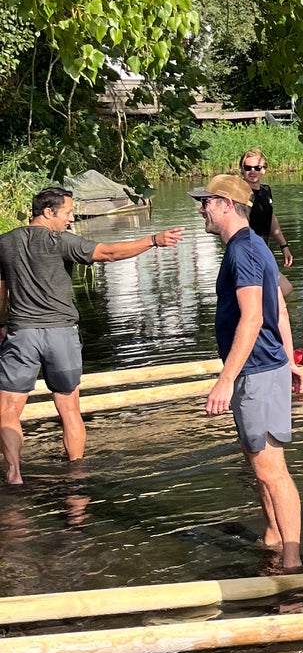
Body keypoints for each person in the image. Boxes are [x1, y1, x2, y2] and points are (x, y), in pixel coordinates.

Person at [0, 184, 185, 484]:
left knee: (7, 410)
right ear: (48, 212)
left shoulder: (5, 243)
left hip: (22, 334)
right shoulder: (60, 241)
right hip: (61, 335)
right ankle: (76, 477)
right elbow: (109, 254)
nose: (71, 219)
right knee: (69, 407)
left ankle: (14, 473)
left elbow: (1, 291)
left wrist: (1, 324)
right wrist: (153, 240)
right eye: (68, 213)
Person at [193, 173, 303, 566]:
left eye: (206, 202)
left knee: (272, 470)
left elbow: (254, 318)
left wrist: (224, 382)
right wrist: (289, 359)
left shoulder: (244, 251)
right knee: (258, 463)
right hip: (261, 369)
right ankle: (273, 539)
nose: (201, 209)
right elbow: (281, 306)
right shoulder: (253, 246)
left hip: (256, 372)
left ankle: (292, 561)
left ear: (226, 205)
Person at [238, 149, 293, 269]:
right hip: (246, 251)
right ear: (242, 169)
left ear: (264, 169)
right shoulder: (239, 192)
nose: (252, 171)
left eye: (257, 168)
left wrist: (284, 246)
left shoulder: (266, 190)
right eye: (248, 168)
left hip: (263, 249)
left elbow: (271, 217)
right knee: (281, 287)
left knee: (282, 287)